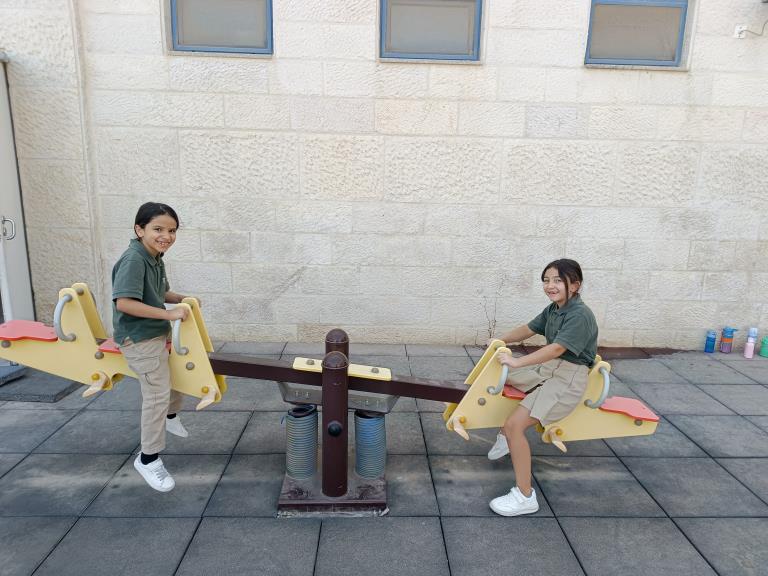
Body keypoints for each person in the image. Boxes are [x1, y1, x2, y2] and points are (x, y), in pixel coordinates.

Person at [487, 258, 598, 516]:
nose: (550, 285)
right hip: (552, 369)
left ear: (575, 285)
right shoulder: (554, 309)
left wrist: (518, 361)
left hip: (568, 377)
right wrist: (500, 340)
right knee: (502, 378)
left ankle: (525, 496)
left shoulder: (580, 315)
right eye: (546, 280)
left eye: (558, 280)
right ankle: (505, 436)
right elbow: (528, 329)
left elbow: (556, 349)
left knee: (515, 425)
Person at [111, 202, 192, 492]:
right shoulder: (134, 259)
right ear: (139, 229)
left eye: (172, 230)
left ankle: (170, 417)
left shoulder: (155, 256)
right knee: (156, 394)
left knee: (178, 372)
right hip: (139, 338)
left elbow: (159, 292)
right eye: (158, 229)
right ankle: (148, 459)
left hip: (155, 333)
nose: (166, 236)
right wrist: (169, 314)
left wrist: (181, 299)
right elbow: (125, 302)